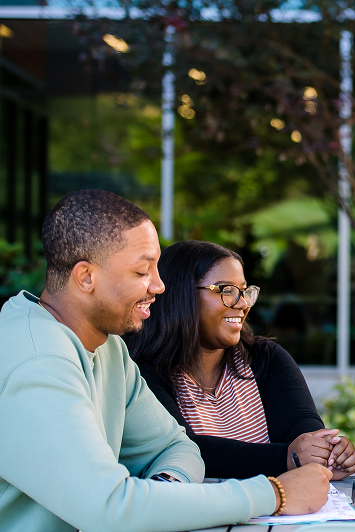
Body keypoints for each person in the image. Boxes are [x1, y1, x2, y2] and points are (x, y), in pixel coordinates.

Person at [0, 190, 331, 532]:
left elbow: (176, 445)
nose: (159, 286)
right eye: (142, 271)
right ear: (86, 277)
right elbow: (107, 508)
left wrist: (164, 490)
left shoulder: (109, 348)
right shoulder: (37, 359)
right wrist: (273, 493)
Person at [126, 240, 355, 480]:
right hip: (198, 514)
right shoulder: (140, 370)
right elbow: (181, 449)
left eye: (245, 291)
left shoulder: (265, 358)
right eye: (227, 291)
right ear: (181, 294)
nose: (243, 303)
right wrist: (285, 458)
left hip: (278, 512)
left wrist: (326, 452)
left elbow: (301, 429)